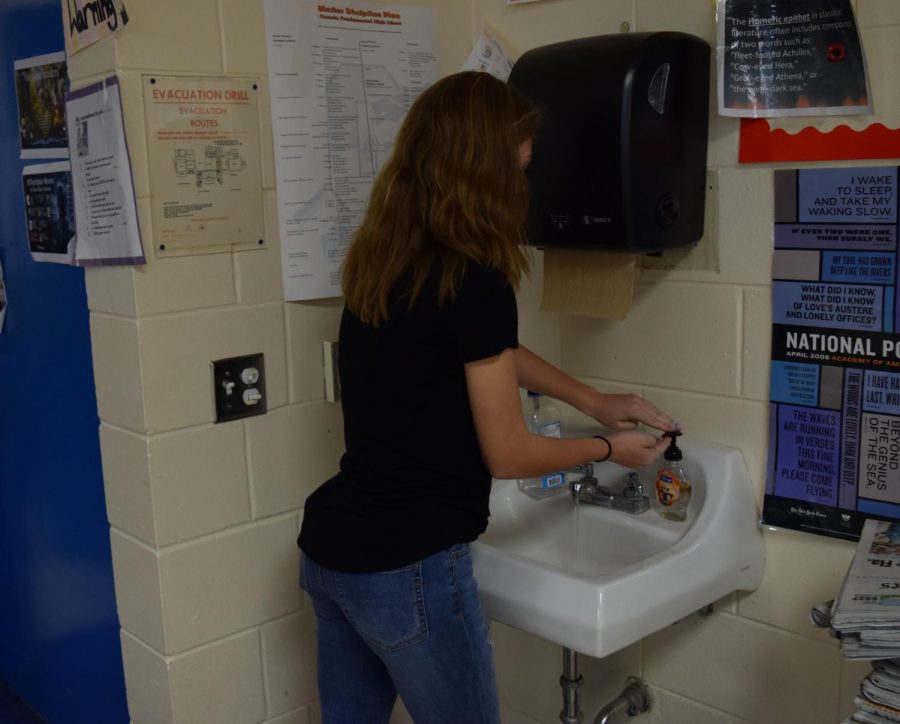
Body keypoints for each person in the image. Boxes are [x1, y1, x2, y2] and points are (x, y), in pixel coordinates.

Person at [297, 70, 678, 724]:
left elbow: (488, 351)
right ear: (484, 172)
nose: (524, 187)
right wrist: (611, 447)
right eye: (519, 169)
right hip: (409, 570)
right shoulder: (473, 278)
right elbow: (507, 454)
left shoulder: (386, 258)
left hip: (334, 555)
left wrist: (593, 399)